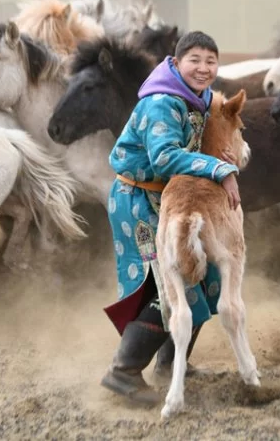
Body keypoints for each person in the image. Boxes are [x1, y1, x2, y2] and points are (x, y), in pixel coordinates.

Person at [99, 31, 241, 406]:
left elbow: (196, 146)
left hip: (165, 200)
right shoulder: (162, 102)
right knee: (162, 285)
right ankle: (123, 372)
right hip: (136, 201)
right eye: (195, 60)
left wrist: (221, 155)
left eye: (211, 61)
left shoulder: (200, 99)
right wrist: (219, 170)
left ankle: (169, 364)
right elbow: (164, 158)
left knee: (201, 273)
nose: (203, 68)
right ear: (176, 63)